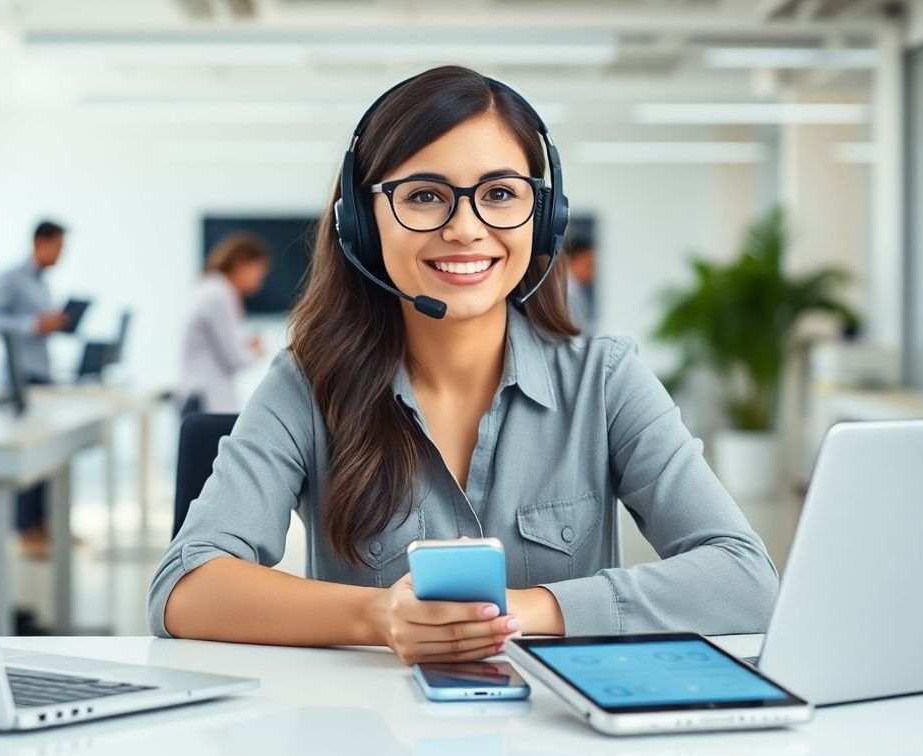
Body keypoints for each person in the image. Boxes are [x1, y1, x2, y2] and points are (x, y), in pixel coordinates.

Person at [150, 66, 776, 665]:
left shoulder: (606, 381)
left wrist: (522, 612)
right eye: (425, 196)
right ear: (362, 225)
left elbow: (745, 579)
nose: (467, 228)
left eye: (501, 193)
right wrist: (377, 616)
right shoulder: (307, 384)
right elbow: (184, 586)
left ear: (546, 218)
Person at [0, 220, 70, 559]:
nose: (61, 255)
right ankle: (24, 530)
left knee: (47, 456)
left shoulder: (43, 285)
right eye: (59, 247)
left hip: (42, 373)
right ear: (40, 243)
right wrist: (33, 325)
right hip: (20, 377)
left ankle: (42, 526)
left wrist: (54, 324)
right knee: (28, 454)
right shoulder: (11, 278)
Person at [178, 233, 272, 415]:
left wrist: (244, 346)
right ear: (242, 263)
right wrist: (256, 352)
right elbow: (234, 359)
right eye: (258, 273)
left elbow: (214, 349)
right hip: (207, 399)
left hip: (197, 393)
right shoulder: (220, 296)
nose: (259, 283)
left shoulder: (208, 288)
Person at [564, 236, 596, 335]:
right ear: (572, 262)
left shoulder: (576, 291)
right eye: (588, 264)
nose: (593, 270)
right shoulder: (565, 294)